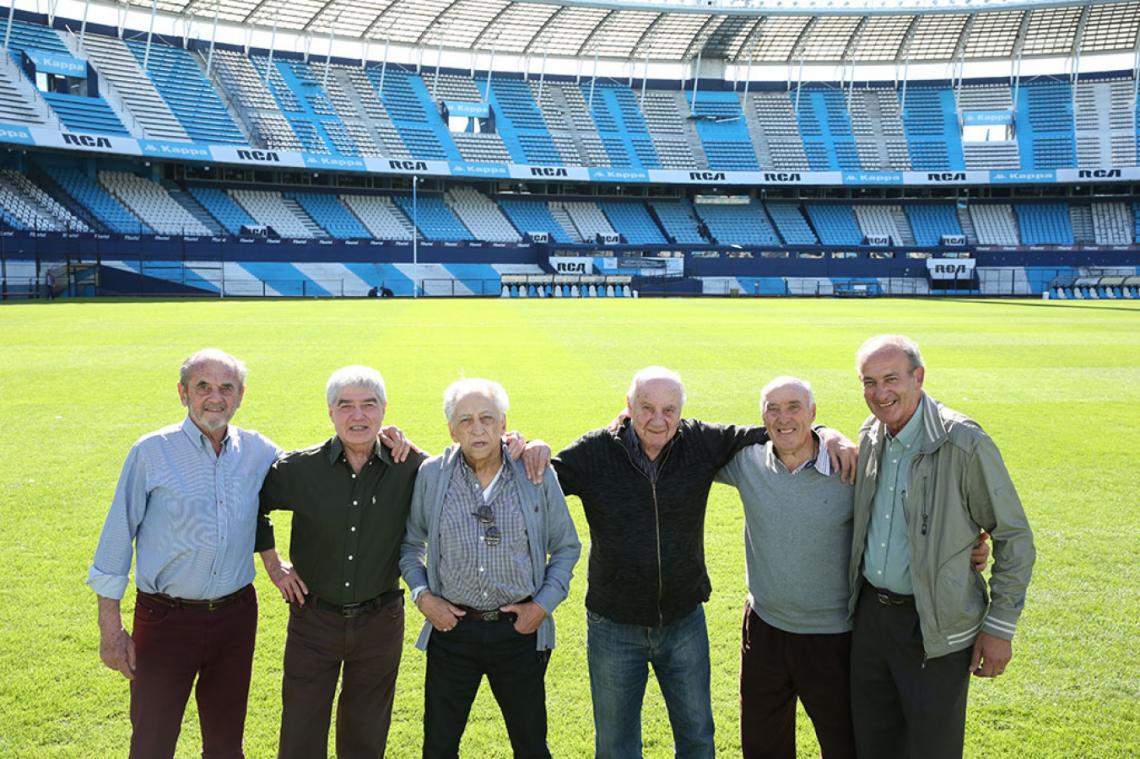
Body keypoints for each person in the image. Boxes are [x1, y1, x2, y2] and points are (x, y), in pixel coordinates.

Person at [550, 366, 856, 759]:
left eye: (669, 410)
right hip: (614, 624)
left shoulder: (700, 443)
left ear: (681, 412)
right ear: (628, 406)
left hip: (684, 622)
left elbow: (780, 429)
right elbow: (539, 482)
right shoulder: (596, 451)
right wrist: (525, 447)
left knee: (697, 737)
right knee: (615, 745)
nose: (658, 420)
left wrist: (828, 432)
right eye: (646, 408)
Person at [848, 335, 1035, 759]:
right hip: (871, 619)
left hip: (935, 624)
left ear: (919, 377)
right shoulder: (870, 435)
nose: (880, 393)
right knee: (872, 743)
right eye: (869, 382)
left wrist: (1000, 626)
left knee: (932, 748)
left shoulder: (964, 443)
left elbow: (1014, 537)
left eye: (891, 379)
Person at [87, 348, 280, 759]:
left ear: (241, 395)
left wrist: (381, 437)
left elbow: (313, 471)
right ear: (182, 392)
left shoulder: (259, 451)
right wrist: (110, 629)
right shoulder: (151, 452)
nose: (215, 397)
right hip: (164, 620)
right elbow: (117, 538)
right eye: (203, 387)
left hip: (235, 617)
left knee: (227, 744)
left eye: (226, 387)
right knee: (152, 741)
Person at [401, 378, 581, 759]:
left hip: (519, 632)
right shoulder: (432, 475)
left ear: (504, 423)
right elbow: (410, 544)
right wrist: (423, 597)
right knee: (438, 746)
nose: (477, 428)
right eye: (465, 420)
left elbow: (566, 547)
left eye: (487, 418)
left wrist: (542, 606)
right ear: (451, 429)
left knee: (531, 746)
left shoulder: (536, 473)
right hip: (452, 631)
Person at [256, 365, 422, 759]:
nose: (358, 415)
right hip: (313, 620)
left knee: (366, 736)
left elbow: (466, 467)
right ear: (330, 412)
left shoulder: (411, 466)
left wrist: (521, 443)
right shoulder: (299, 469)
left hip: (380, 622)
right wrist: (273, 563)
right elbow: (251, 504)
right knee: (300, 732)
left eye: (369, 405)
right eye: (345, 405)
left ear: (384, 411)